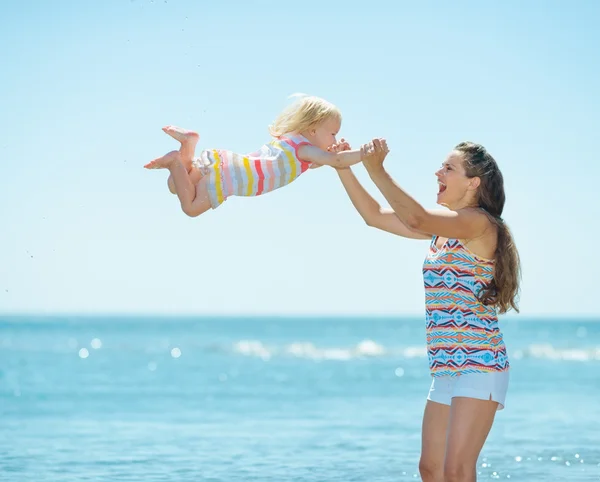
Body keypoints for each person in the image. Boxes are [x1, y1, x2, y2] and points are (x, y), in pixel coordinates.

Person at [335, 138, 521, 482]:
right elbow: (373, 216)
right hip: (446, 365)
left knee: (456, 470)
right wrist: (342, 167)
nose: (438, 172)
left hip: (479, 364)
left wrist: (378, 169)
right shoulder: (441, 233)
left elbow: (417, 217)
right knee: (430, 468)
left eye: (448, 168)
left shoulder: (479, 223)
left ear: (473, 182)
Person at [143, 95, 378, 217]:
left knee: (175, 184)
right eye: (333, 134)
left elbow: (321, 161)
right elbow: (335, 161)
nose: (335, 140)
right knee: (191, 208)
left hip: (228, 163)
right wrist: (362, 153)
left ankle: (188, 145)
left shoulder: (293, 143)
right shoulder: (304, 150)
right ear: (314, 129)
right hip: (230, 178)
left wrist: (335, 152)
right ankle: (175, 158)